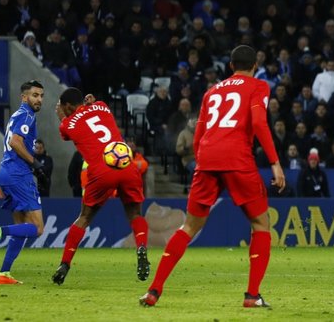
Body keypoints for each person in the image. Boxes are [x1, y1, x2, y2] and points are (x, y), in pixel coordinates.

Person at [139, 45, 286, 308]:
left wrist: (201, 161)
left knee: (189, 226)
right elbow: (260, 123)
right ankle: (252, 296)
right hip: (237, 158)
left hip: (206, 160)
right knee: (261, 225)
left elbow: (199, 133)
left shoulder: (211, 92)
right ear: (255, 66)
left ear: (230, 66)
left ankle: (153, 290)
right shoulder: (258, 86)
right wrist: (275, 163)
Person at [51, 90, 150, 286]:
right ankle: (141, 248)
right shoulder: (102, 106)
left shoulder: (68, 123)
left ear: (68, 106)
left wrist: (62, 116)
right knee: (135, 214)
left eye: (62, 106)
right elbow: (94, 111)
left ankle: (64, 264)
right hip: (126, 164)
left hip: (101, 170)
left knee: (85, 217)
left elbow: (66, 131)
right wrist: (91, 103)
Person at [0, 80, 46, 285]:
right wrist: (35, 164)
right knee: (37, 228)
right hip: (19, 175)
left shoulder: (17, 115)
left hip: (7, 173)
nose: (39, 99)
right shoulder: (27, 115)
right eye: (35, 95)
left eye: (41, 96)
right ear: (24, 97)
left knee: (21, 226)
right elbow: (15, 142)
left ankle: (4, 273)